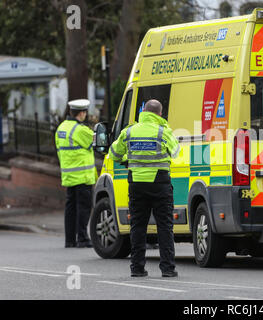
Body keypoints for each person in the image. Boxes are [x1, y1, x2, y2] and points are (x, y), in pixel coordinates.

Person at [109, 99, 180, 277]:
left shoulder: (129, 131)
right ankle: (168, 269)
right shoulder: (163, 132)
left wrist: (127, 158)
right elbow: (176, 152)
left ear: (144, 112)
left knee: (137, 226)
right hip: (160, 183)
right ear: (159, 114)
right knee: (164, 226)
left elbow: (114, 154)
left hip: (136, 184)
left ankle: (137, 268)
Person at [55, 99, 97, 248]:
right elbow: (97, 140)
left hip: (68, 175)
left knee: (70, 208)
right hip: (83, 176)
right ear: (82, 113)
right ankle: (83, 238)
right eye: (85, 112)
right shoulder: (80, 130)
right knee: (84, 208)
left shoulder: (61, 128)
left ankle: (70, 240)